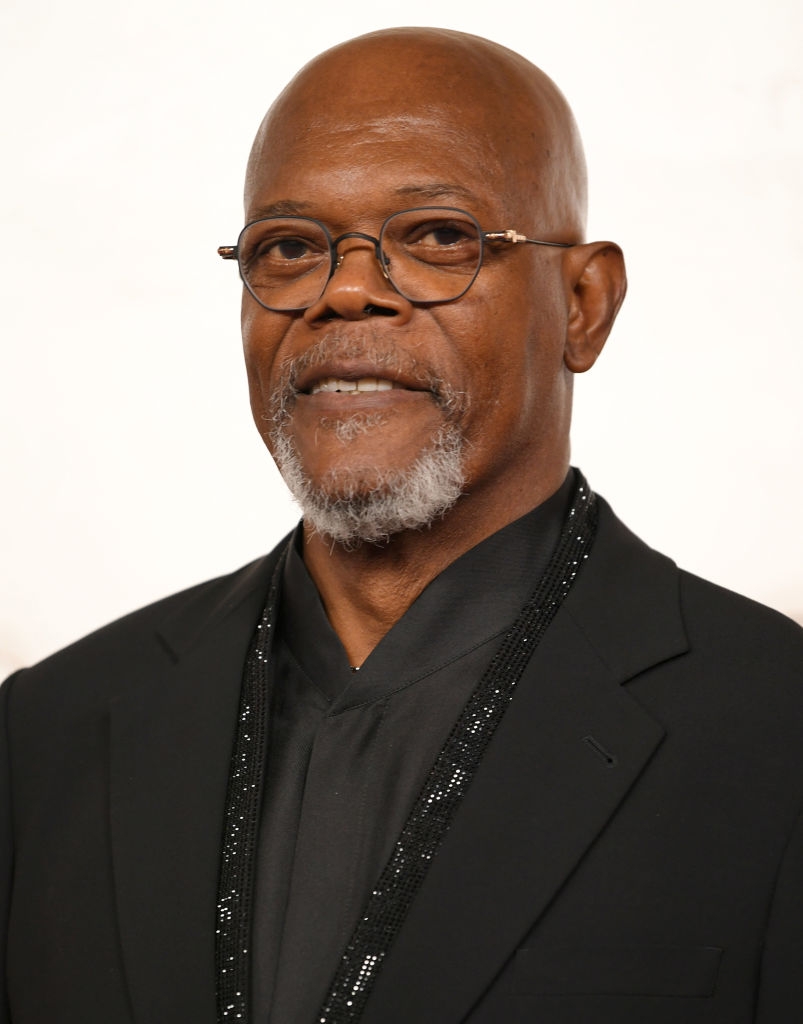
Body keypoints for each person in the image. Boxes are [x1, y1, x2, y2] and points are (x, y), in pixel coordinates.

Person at [1, 25, 801, 1024]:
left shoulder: (774, 732)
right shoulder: (48, 736)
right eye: (288, 248)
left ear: (583, 304)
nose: (342, 291)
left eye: (435, 238)